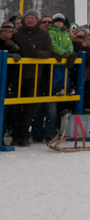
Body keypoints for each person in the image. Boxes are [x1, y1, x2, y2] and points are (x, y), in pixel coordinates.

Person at [9, 9, 53, 146]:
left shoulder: (44, 35)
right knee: (15, 106)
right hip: (16, 74)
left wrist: (39, 53)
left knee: (30, 107)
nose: (30, 20)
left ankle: (25, 135)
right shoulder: (16, 34)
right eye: (27, 17)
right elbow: (8, 46)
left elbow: (48, 52)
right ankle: (15, 135)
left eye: (33, 18)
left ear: (37, 20)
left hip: (33, 75)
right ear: (23, 20)